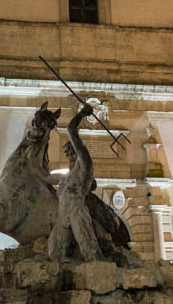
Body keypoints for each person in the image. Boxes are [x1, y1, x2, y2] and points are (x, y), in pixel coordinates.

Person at [49, 103, 105, 262]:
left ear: (79, 151)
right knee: (54, 257)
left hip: (76, 212)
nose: (68, 155)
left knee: (92, 255)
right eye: (66, 153)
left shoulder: (85, 165)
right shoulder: (67, 177)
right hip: (62, 217)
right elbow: (45, 178)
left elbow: (71, 129)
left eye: (71, 151)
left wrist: (82, 114)